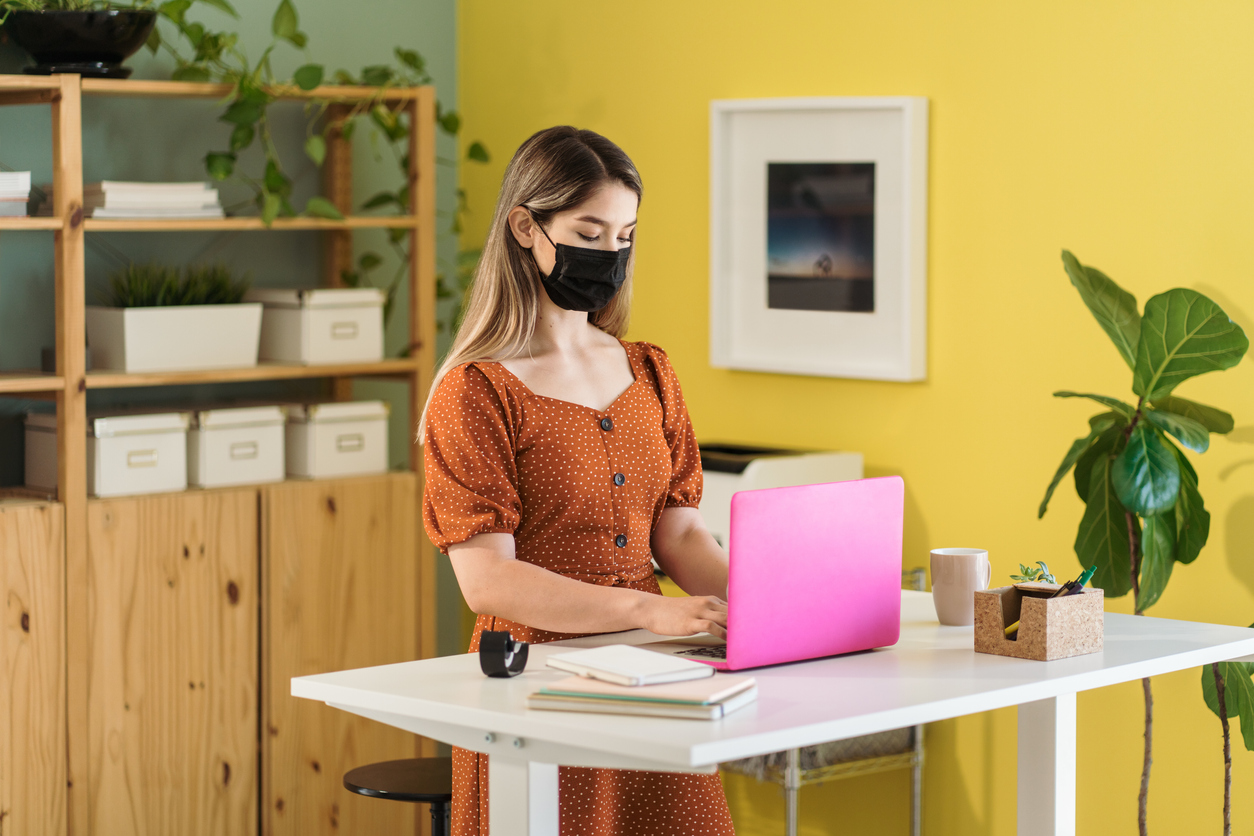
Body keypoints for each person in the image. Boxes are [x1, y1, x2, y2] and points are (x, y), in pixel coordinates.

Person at [420, 126, 736, 836]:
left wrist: (763, 606)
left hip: (654, 674)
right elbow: (488, 582)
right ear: (525, 228)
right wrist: (648, 611)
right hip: (534, 681)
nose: (610, 255)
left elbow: (681, 533)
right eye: (589, 234)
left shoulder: (649, 370)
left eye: (625, 236)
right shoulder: (475, 390)